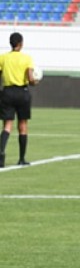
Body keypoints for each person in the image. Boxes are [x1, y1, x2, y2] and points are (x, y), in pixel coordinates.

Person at [0, 32, 38, 167]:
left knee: (7, 125)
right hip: (22, 92)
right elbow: (30, 78)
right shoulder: (27, 58)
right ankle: (21, 158)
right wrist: (35, 82)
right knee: (22, 125)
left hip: (7, 92)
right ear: (21, 43)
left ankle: (1, 152)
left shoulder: (3, 58)